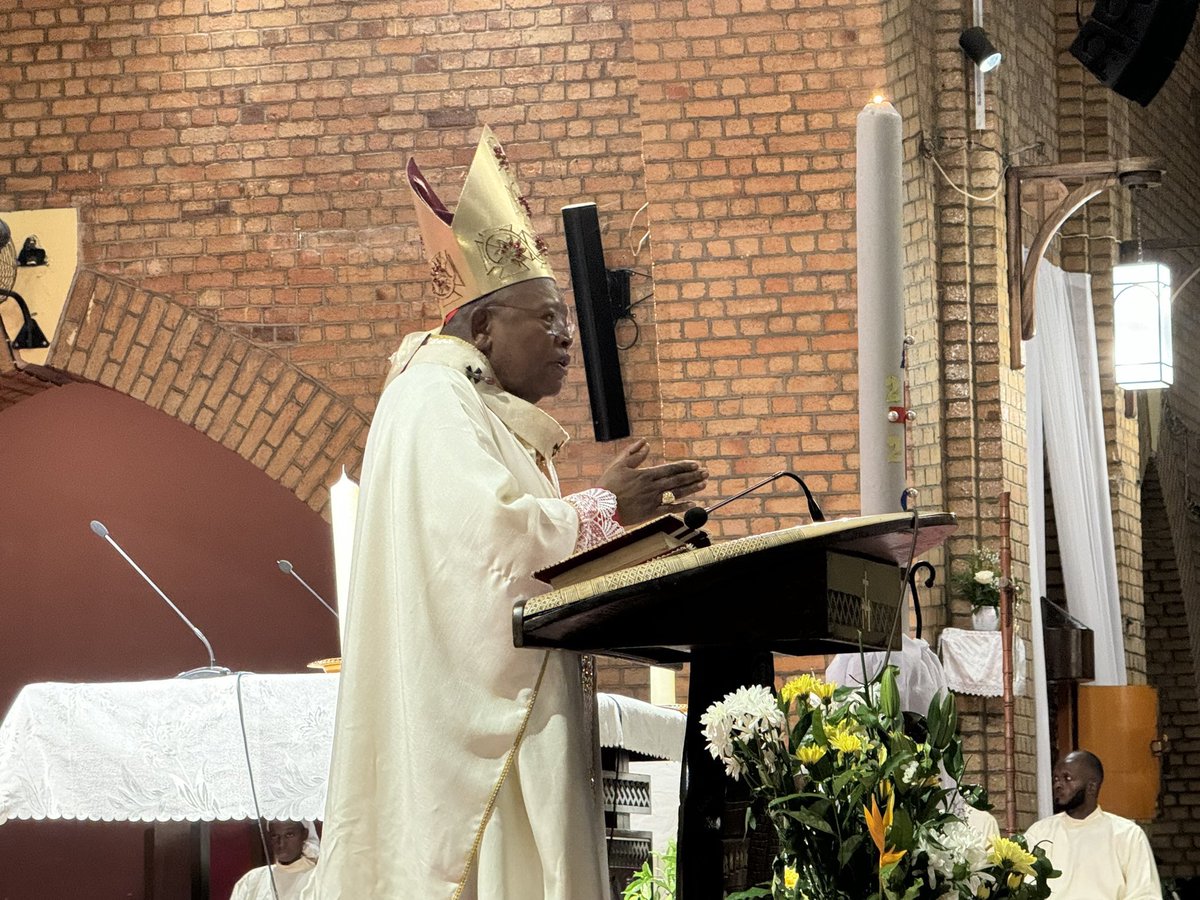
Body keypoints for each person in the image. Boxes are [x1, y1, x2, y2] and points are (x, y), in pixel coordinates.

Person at [305, 126, 707, 899]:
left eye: (565, 322)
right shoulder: (432, 397)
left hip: (527, 703)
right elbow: (489, 551)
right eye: (547, 320)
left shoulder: (483, 409)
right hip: (482, 744)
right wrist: (605, 509)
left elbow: (526, 555)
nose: (567, 339)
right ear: (483, 326)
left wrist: (634, 541)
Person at [1023, 749, 1161, 899]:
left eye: (1067, 778)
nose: (1058, 785)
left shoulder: (1127, 835)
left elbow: (1144, 894)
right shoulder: (1039, 833)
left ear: (1091, 787)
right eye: (1056, 779)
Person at [230, 820, 318, 900]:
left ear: (304, 834)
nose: (281, 843)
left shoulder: (318, 879)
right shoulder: (251, 880)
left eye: (289, 835)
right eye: (275, 836)